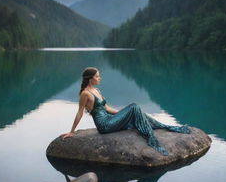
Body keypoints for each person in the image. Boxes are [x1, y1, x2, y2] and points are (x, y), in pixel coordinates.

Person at [61, 67, 191, 156]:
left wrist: (123, 114)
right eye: (97, 76)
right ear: (91, 79)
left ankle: (164, 126)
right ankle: (151, 137)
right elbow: (79, 112)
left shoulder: (97, 90)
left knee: (138, 113)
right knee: (134, 107)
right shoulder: (85, 94)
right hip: (104, 125)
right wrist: (72, 131)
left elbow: (106, 108)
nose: (100, 78)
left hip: (110, 120)